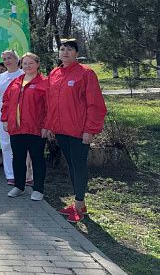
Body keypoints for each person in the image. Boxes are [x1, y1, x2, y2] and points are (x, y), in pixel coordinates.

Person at [45, 39, 107, 223]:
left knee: (78, 166)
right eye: (62, 49)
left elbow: (95, 104)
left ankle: (78, 206)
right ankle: (80, 203)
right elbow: (51, 103)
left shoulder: (86, 73)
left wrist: (90, 130)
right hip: (61, 130)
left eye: (70, 49)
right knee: (71, 165)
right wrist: (50, 125)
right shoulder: (54, 73)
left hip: (79, 131)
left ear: (76, 53)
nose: (65, 52)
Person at [1, 53, 47, 201]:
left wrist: (46, 126)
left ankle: (38, 189)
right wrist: (5, 119)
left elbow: (49, 106)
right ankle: (19, 186)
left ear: (37, 64)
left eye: (31, 63)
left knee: (37, 158)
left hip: (35, 128)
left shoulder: (44, 83)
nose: (27, 66)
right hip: (17, 128)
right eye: (25, 63)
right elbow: (6, 102)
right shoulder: (16, 82)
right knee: (18, 158)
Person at [0, 50, 24, 185]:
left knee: (20, 145)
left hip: (21, 115)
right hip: (3, 115)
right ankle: (10, 174)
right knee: (6, 145)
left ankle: (23, 173)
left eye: (10, 58)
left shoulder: (23, 74)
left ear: (17, 59)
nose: (7, 61)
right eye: (4, 59)